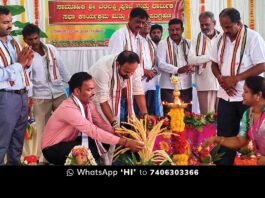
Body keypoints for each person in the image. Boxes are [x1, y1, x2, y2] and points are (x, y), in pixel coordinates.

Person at [41, 72, 144, 165]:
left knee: (103, 141)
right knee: (92, 146)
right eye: (89, 90)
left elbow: (99, 123)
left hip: (67, 142)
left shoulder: (88, 103)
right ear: (77, 91)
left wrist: (117, 132)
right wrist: (125, 142)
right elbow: (92, 130)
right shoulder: (68, 108)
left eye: (93, 88)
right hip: (52, 149)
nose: (93, 93)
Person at [211, 8, 265, 165]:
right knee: (225, 136)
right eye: (223, 27)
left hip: (246, 98)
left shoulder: (253, 38)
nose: (225, 30)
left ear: (239, 23)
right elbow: (213, 63)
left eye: (228, 27)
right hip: (225, 96)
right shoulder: (220, 39)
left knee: (251, 138)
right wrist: (221, 79)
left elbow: (262, 65)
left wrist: (236, 79)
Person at [22, 23, 71, 163]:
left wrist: (72, 85)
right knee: (42, 129)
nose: (34, 42)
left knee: (66, 124)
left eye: (36, 38)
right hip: (40, 97)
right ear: (25, 40)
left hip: (58, 92)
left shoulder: (51, 49)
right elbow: (27, 78)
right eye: (30, 40)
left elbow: (62, 68)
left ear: (39, 36)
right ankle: (44, 159)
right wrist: (29, 99)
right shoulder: (25, 55)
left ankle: (67, 155)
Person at [203, 76, 265, 165]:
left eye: (246, 91)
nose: (243, 94)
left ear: (258, 95)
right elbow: (240, 141)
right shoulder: (248, 114)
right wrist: (217, 139)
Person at [0, 6, 34, 165]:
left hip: (21, 95)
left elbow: (21, 71)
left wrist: (27, 63)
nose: (9, 26)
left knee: (17, 141)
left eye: (10, 22)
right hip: (6, 97)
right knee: (2, 141)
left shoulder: (13, 42)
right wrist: (20, 64)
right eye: (5, 22)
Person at [89, 51, 150, 127]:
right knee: (106, 124)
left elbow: (138, 91)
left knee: (116, 123)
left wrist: (145, 114)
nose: (129, 75)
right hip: (97, 94)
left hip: (113, 92)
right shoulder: (102, 70)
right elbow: (103, 101)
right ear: (118, 64)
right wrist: (113, 124)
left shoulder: (135, 67)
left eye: (132, 72)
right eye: (126, 72)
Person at [157, 18, 194, 115]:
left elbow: (194, 61)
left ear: (182, 30)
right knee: (169, 115)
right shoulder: (162, 44)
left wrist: (192, 67)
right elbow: (160, 64)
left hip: (186, 85)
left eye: (177, 29)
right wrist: (178, 69)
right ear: (168, 30)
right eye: (172, 30)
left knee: (187, 114)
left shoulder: (189, 43)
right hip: (168, 87)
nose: (174, 32)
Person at [188, 11, 220, 114]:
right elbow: (191, 59)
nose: (205, 27)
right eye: (202, 25)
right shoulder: (195, 40)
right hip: (204, 83)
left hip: (223, 84)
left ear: (214, 23)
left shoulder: (222, 37)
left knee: (224, 116)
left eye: (207, 24)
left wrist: (203, 58)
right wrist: (211, 56)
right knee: (207, 117)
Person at [139, 17, 158, 115]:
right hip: (138, 80)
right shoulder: (134, 40)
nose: (147, 25)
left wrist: (153, 72)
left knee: (150, 112)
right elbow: (129, 61)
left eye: (149, 23)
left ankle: (151, 130)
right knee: (138, 112)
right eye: (144, 23)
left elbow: (156, 62)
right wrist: (144, 71)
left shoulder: (151, 43)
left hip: (150, 81)